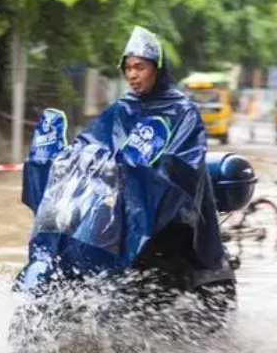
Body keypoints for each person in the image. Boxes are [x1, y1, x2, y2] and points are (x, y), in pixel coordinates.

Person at [15, 26, 235, 326]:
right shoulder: (122, 108)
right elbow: (89, 144)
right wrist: (61, 158)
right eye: (128, 68)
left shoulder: (183, 110)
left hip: (170, 214)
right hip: (117, 202)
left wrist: (145, 164)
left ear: (157, 69)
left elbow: (182, 165)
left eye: (140, 67)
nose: (132, 75)